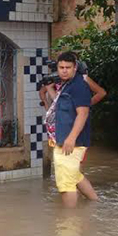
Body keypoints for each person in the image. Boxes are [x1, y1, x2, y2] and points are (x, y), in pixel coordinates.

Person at [44, 52, 99, 207]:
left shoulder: (79, 86)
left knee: (66, 183)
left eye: (68, 67)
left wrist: (71, 137)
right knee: (74, 175)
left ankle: (69, 221)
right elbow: (60, 105)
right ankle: (95, 204)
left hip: (72, 142)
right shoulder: (66, 85)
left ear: (75, 68)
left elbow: (83, 113)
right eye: (61, 67)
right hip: (63, 139)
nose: (64, 70)